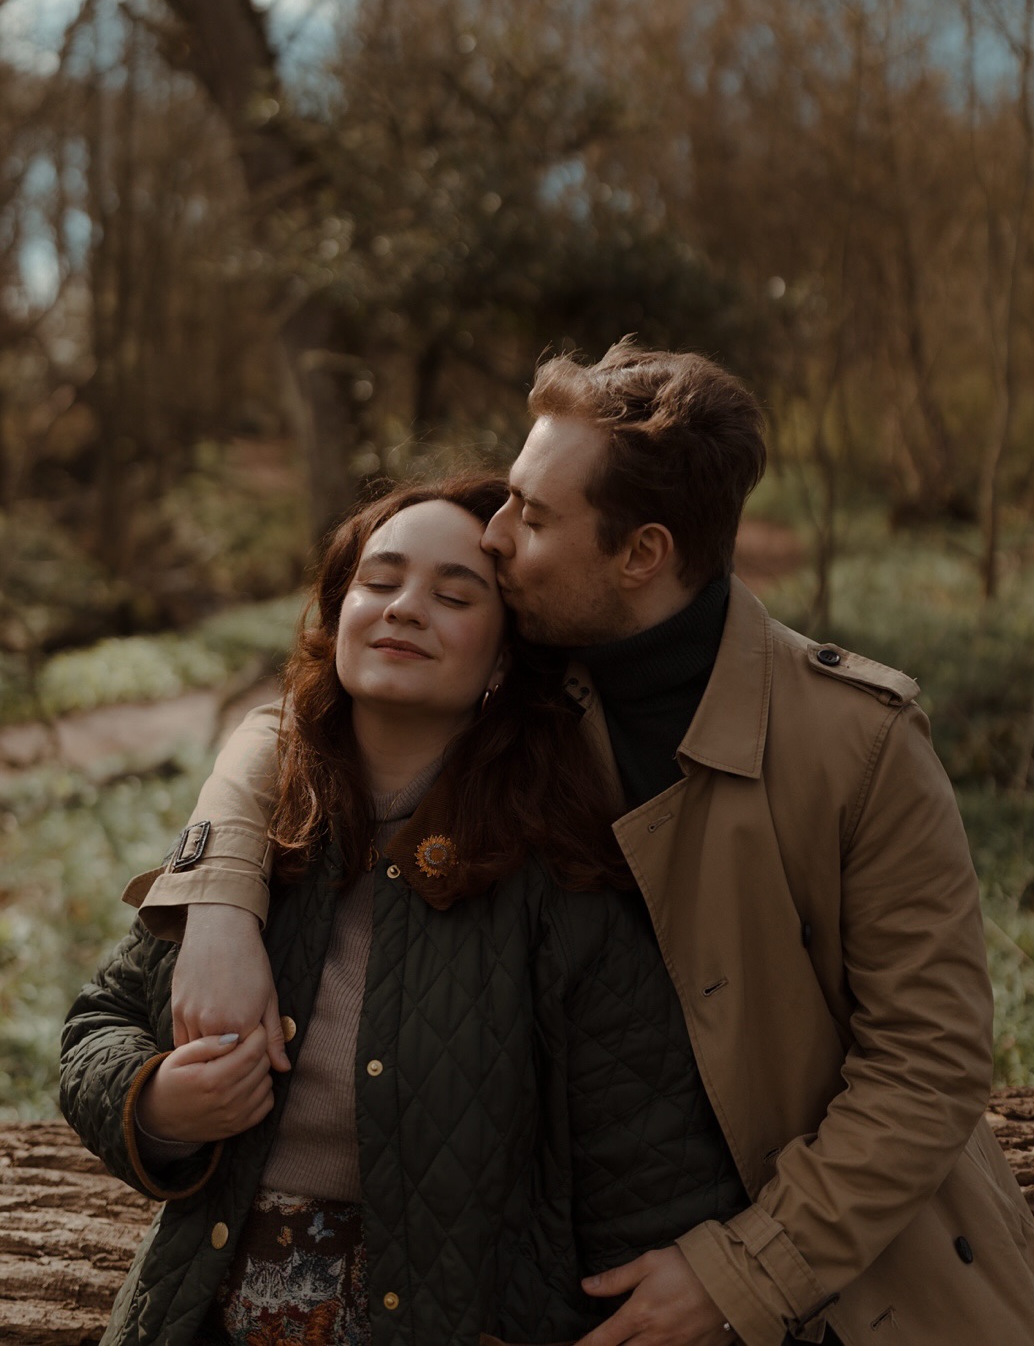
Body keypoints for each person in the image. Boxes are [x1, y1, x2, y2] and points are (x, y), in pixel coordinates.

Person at [124, 340, 1034, 1346]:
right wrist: (222, 901)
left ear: (641, 555)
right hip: (598, 1246)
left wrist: (741, 1274)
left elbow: (930, 1064)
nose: (493, 537)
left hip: (866, 1271)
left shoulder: (859, 742)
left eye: (532, 516)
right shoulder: (525, 678)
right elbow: (316, 716)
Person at [60, 476, 751, 1345]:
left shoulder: (561, 882)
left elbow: (646, 1165)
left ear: (503, 659)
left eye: (454, 595)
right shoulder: (259, 833)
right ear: (340, 614)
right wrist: (154, 1106)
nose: (406, 609)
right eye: (379, 583)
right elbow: (99, 1025)